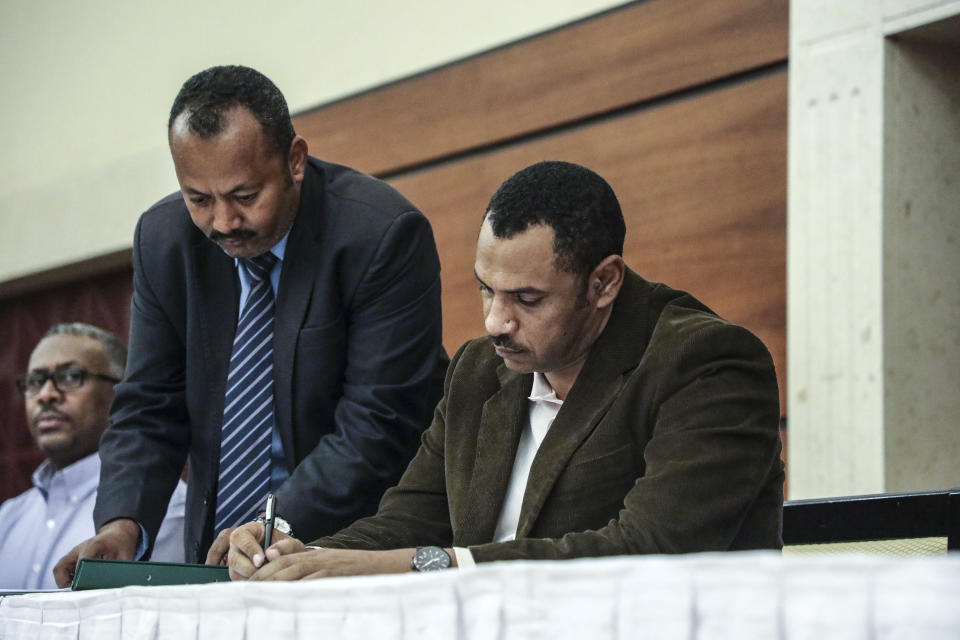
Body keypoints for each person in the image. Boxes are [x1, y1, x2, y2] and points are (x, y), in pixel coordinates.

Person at [225, 161, 785, 581]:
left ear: (604, 282)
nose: (495, 322)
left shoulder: (708, 365)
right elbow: (410, 517)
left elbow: (647, 551)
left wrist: (435, 565)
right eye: (486, 289)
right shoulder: (478, 370)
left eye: (527, 299)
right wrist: (301, 554)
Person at [53, 65, 446, 585]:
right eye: (198, 198)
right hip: (216, 560)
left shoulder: (380, 236)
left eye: (244, 195)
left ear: (295, 161)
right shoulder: (165, 241)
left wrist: (272, 522)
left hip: (350, 554)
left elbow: (378, 425)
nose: (223, 222)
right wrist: (123, 524)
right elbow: (149, 405)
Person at [0, 323, 185, 589]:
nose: (46, 395)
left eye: (71, 376)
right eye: (35, 381)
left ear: (123, 393)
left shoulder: (157, 509)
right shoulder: (9, 517)